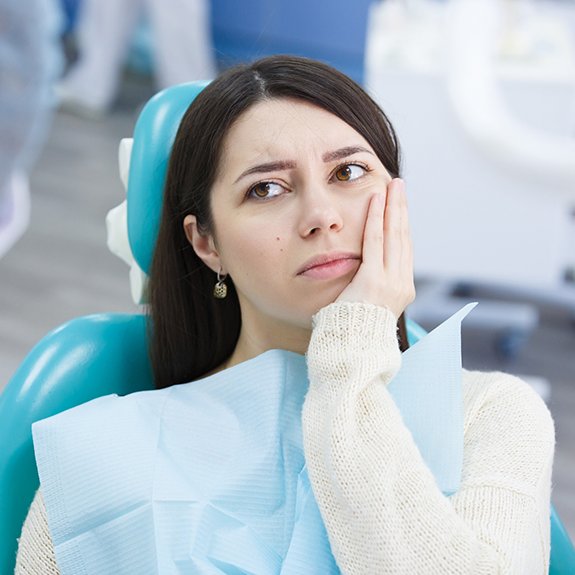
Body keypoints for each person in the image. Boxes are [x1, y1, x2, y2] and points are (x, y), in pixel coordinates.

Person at [15, 55, 554, 574]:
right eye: (266, 188)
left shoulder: (490, 417)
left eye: (348, 172)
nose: (321, 216)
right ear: (206, 243)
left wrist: (350, 352)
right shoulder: (101, 461)